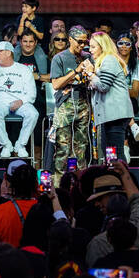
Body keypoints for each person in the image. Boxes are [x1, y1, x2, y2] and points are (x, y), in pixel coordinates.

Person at [0, 41, 38, 159]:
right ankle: (6, 145)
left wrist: (21, 101)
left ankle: (20, 145)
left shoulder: (23, 69)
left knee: (33, 114)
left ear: (8, 53)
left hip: (20, 102)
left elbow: (32, 93)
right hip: (0, 102)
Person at [48, 26, 93, 170]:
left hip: (84, 104)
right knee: (62, 148)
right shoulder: (59, 58)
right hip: (65, 105)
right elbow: (55, 84)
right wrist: (75, 71)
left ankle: (82, 183)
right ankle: (59, 185)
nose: (82, 45)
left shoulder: (88, 56)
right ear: (70, 39)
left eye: (85, 42)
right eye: (79, 42)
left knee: (82, 147)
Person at [85, 31, 134, 155]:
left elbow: (103, 86)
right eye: (90, 46)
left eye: (93, 47)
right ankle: (114, 174)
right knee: (109, 153)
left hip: (116, 115)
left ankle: (122, 174)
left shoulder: (109, 60)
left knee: (115, 153)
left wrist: (91, 74)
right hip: (110, 115)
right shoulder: (103, 62)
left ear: (102, 47)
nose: (90, 50)